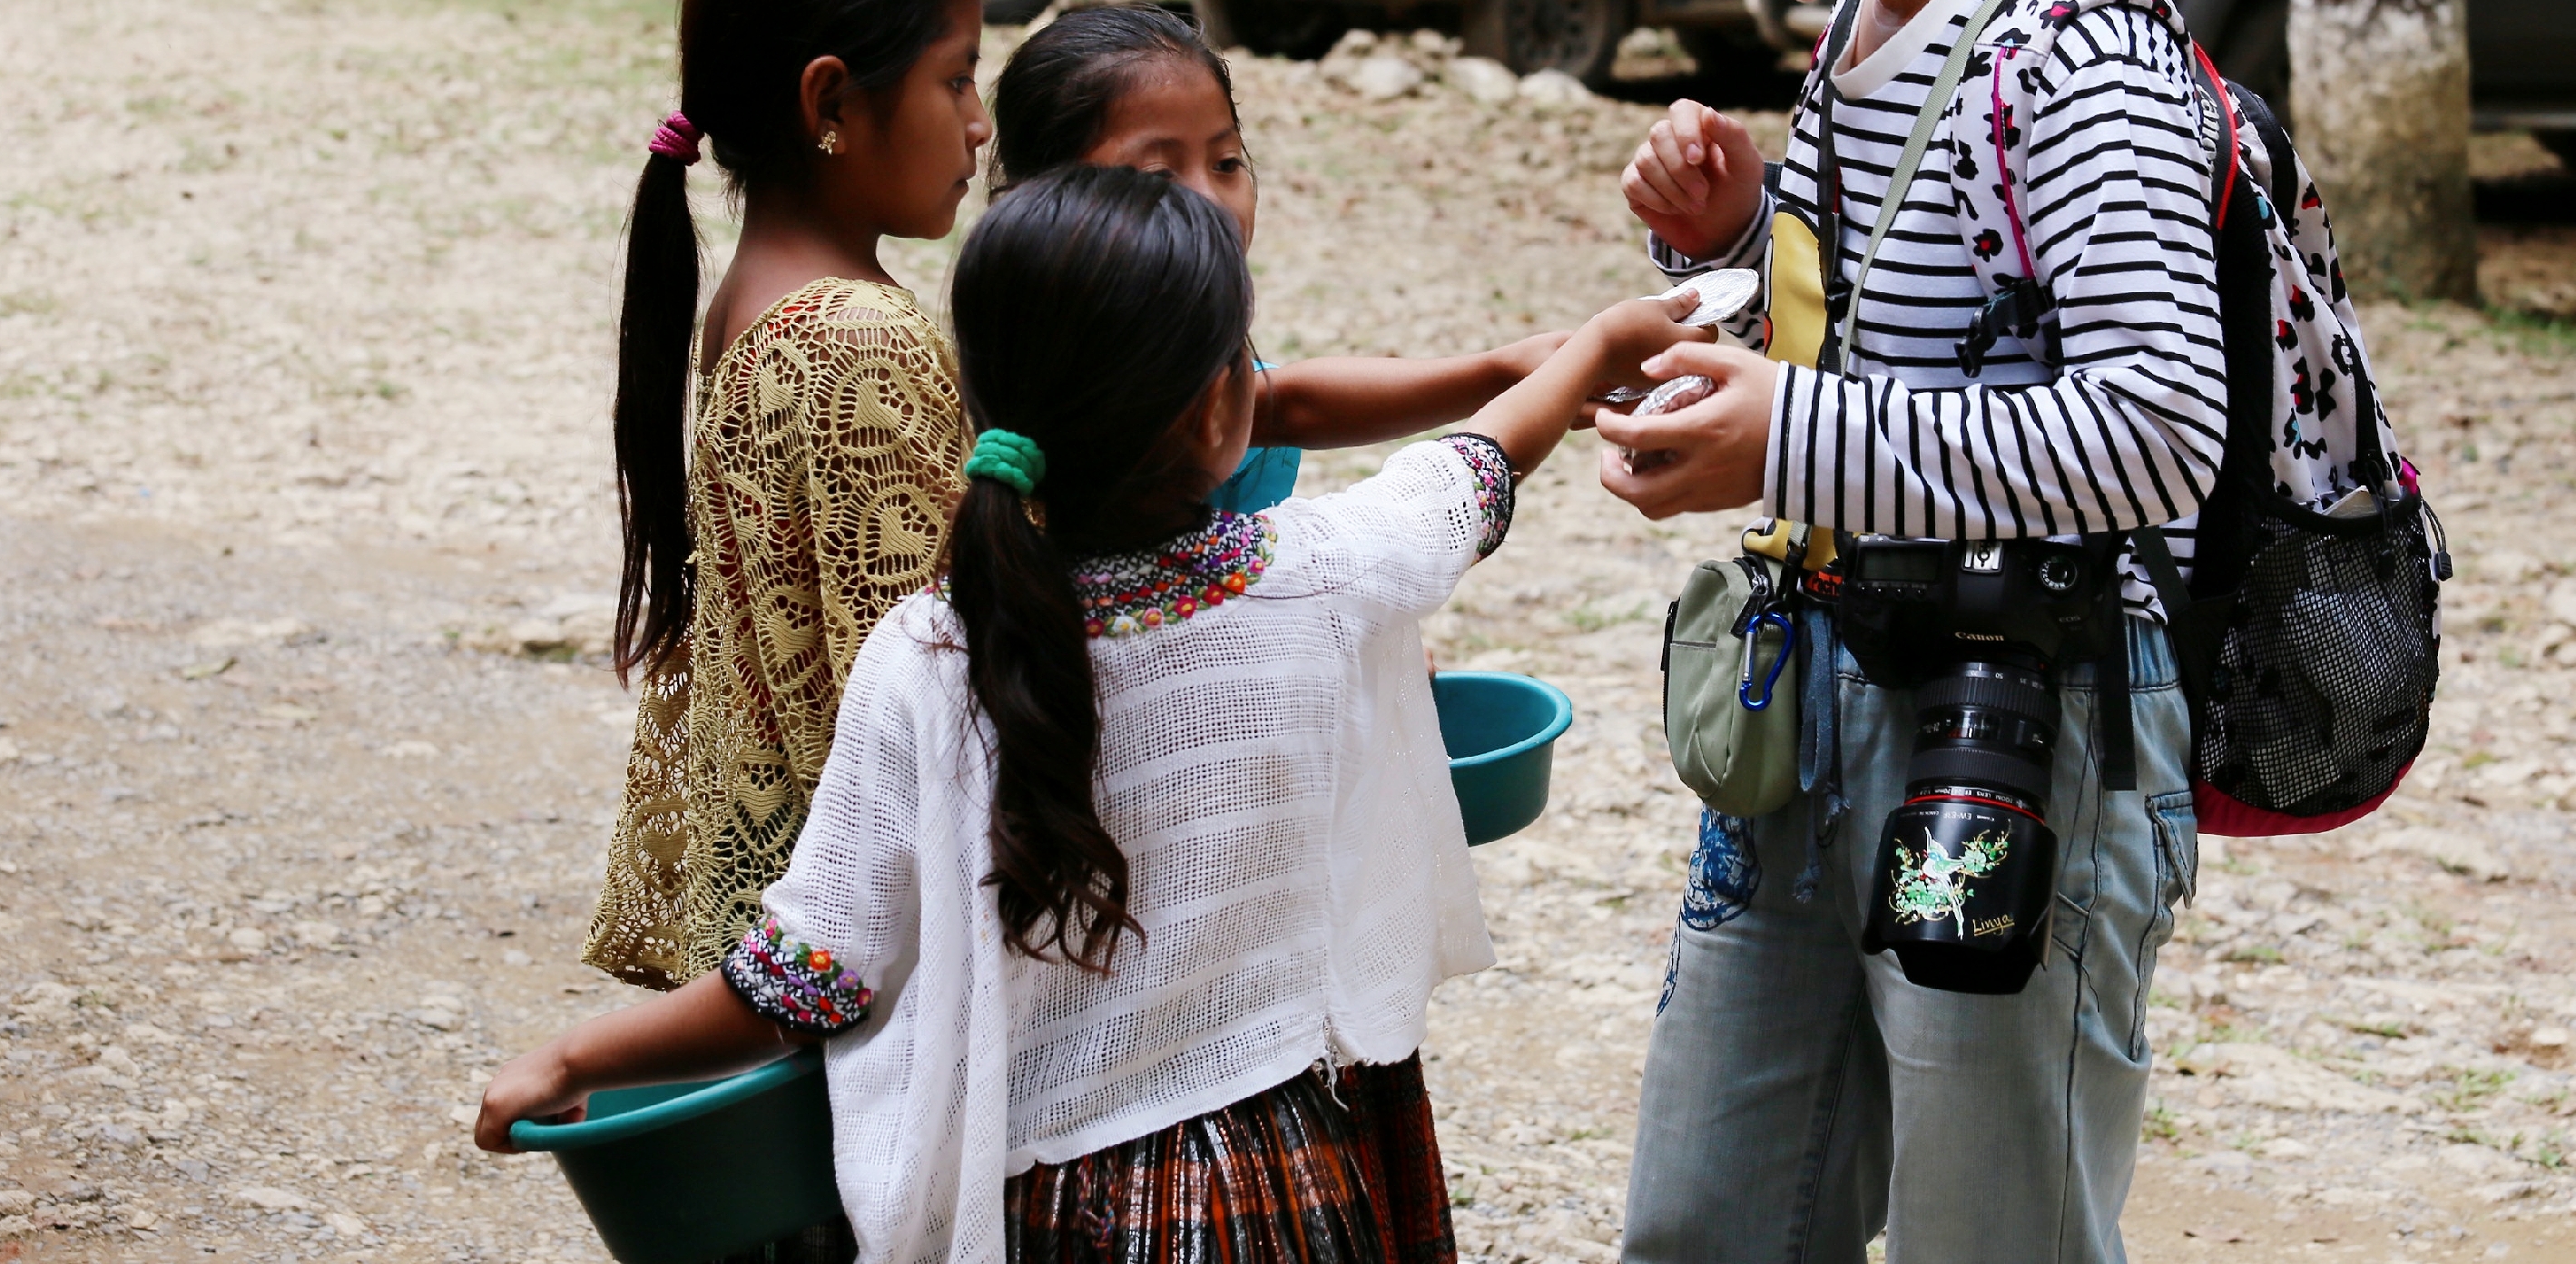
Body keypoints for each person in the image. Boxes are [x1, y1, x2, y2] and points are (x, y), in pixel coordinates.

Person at [478, 165, 1709, 1264]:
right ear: (1220, 408)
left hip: (1050, 1212)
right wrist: (1594, 347)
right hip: (1289, 1181)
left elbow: (804, 981)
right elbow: (1474, 469)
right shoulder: (1323, 573)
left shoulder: (931, 658)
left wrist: (580, 1054)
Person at [1557, 0, 2227, 1263]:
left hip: (2024, 720)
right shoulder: (1862, 14)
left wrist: (1783, 435)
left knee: (1989, 1235)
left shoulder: (2080, 48)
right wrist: (1730, 243)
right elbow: (1910, 340)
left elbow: (2160, 422)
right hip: (1822, 694)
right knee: (1706, 1220)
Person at [583, 0, 987, 1007]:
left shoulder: (757, 300)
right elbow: (933, 677)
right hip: (863, 953)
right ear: (831, 99)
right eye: (956, 75)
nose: (979, 121)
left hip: (792, 912)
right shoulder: (856, 339)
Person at [987, 3, 1572, 511]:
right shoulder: (1068, 373)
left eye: (1226, 163)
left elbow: (1287, 405)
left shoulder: (1181, 341)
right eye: (1159, 173)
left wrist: (1504, 371)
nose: (1212, 202)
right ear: (1041, 201)